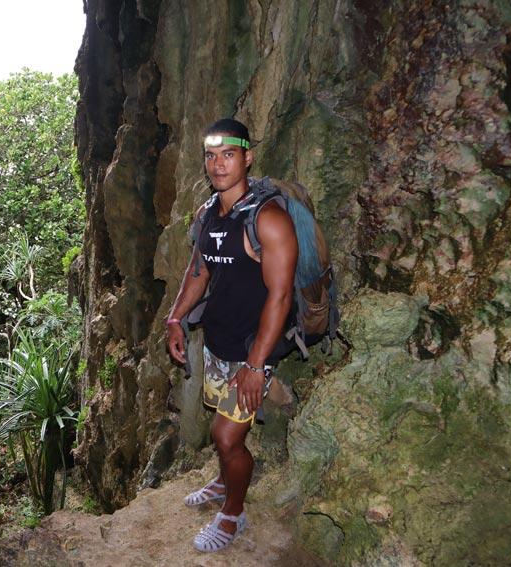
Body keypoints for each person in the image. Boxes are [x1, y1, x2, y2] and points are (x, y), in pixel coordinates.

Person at [166, 118, 298, 553]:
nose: (218, 164)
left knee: (226, 437)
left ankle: (234, 512)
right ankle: (223, 479)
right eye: (211, 155)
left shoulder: (269, 220)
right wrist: (175, 319)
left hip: (253, 346)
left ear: (247, 157)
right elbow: (198, 272)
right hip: (219, 342)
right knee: (220, 425)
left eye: (228, 154)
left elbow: (279, 297)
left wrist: (257, 366)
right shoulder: (208, 214)